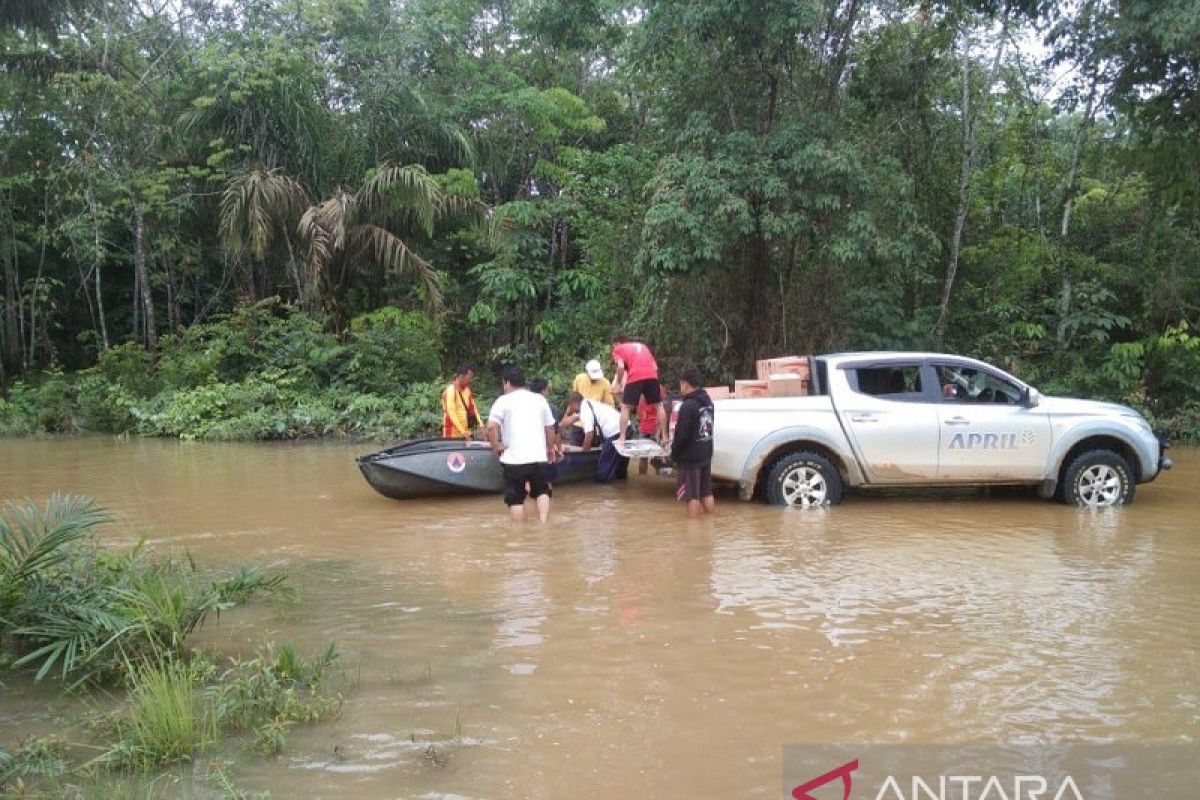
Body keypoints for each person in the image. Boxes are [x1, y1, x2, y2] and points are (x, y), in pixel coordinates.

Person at [486, 366, 560, 522]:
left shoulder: (503, 401)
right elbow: (550, 428)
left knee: (516, 498)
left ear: (506, 383)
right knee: (542, 492)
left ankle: (519, 535)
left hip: (514, 459)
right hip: (538, 458)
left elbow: (491, 427)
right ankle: (544, 524)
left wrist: (496, 446)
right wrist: (550, 448)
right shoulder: (539, 399)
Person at [670, 367, 715, 518]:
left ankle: (693, 532)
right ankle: (709, 524)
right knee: (706, 492)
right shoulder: (708, 402)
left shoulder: (688, 406)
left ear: (686, 384)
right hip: (706, 454)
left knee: (691, 496)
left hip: (690, 458)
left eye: (681, 384)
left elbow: (682, 435)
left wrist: (674, 453)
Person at [610, 334, 663, 447]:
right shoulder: (643, 346)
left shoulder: (618, 349)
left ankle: (622, 438)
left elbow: (620, 367)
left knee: (625, 407)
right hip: (652, 375)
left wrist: (618, 383)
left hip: (636, 375)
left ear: (616, 344)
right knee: (659, 405)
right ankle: (665, 436)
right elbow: (655, 367)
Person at [564, 392, 628, 483]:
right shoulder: (588, 403)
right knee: (620, 470)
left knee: (602, 474)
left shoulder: (585, 410)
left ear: (573, 403)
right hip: (626, 428)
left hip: (615, 432)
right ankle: (622, 486)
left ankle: (603, 488)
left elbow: (589, 435)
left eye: (570, 406)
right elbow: (566, 422)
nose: (571, 409)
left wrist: (584, 456)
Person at [566, 359, 616, 445]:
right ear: (587, 373)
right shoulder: (579, 379)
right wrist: (566, 416)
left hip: (594, 426)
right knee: (575, 450)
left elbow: (610, 406)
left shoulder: (605, 383)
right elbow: (573, 400)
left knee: (592, 451)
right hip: (578, 423)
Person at [530, 377, 561, 485]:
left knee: (528, 483)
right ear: (544, 390)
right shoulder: (550, 407)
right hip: (543, 449)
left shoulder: (522, 405)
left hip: (525, 451)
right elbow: (554, 430)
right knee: (546, 484)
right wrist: (556, 449)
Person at [441, 364, 484, 440]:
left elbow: (473, 409)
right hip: (452, 435)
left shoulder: (467, 390)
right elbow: (452, 414)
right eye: (469, 378)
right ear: (461, 376)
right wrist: (463, 432)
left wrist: (481, 425)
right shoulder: (450, 391)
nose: (470, 380)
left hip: (467, 433)